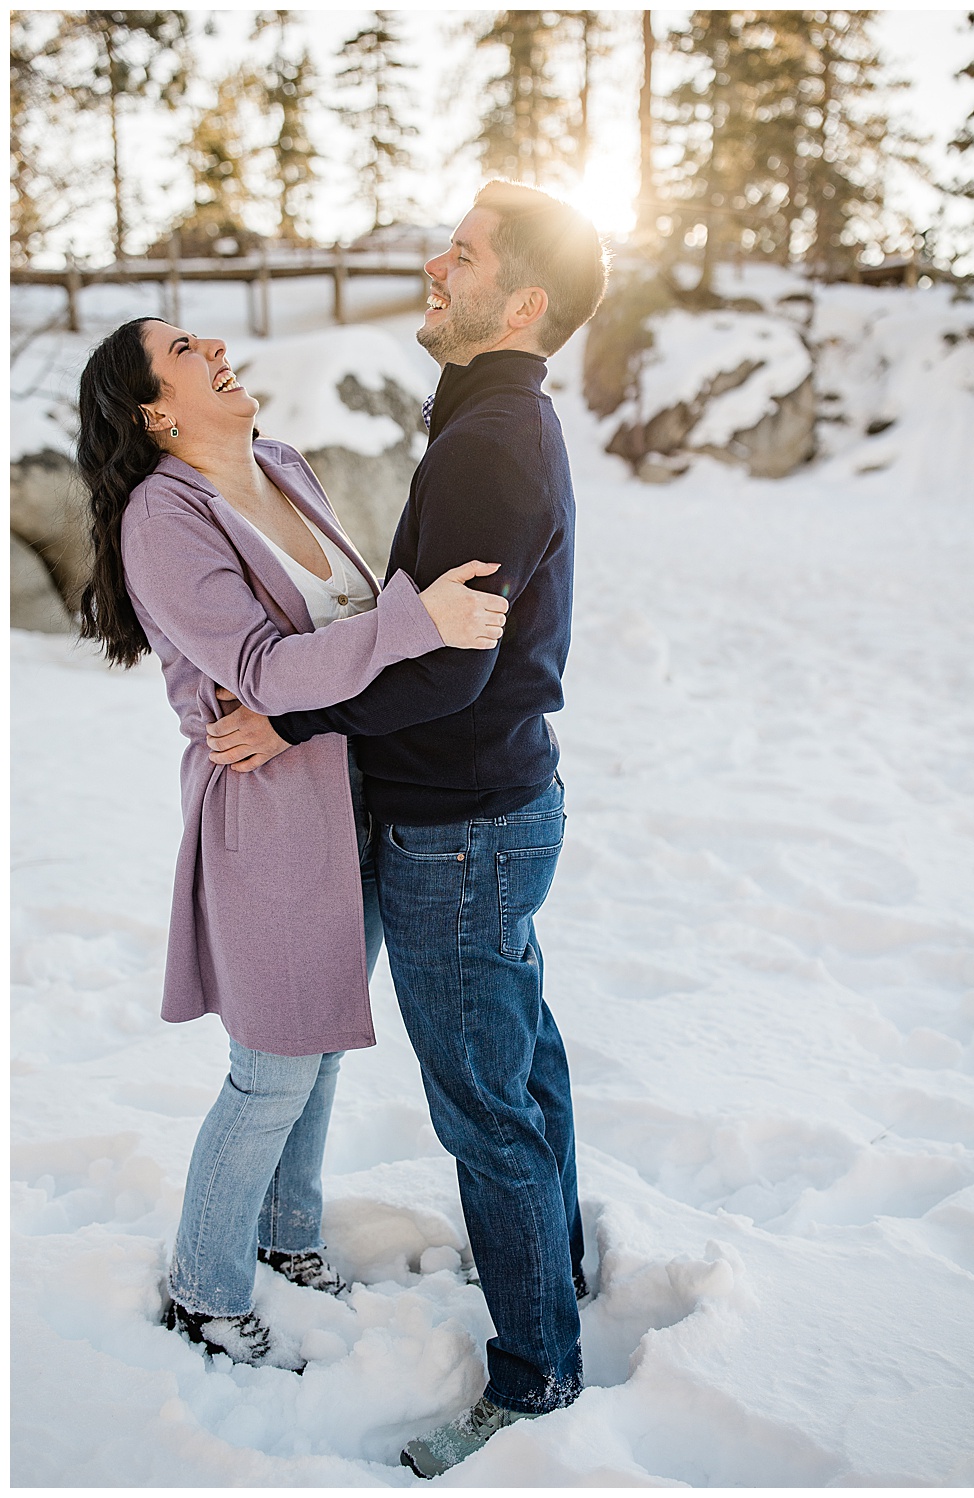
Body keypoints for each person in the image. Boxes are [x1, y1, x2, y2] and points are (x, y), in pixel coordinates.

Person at [204, 180, 607, 1476]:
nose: (438, 264)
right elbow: (436, 639)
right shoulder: (487, 418)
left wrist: (301, 723)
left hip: (462, 831)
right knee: (522, 1063)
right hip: (491, 810)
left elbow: (450, 667)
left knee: (489, 1105)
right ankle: (566, 1274)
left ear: (525, 302)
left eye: (467, 254)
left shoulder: (493, 441)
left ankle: (538, 1367)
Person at [73, 318, 509, 1370]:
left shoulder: (281, 463)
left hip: (359, 793)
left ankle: (287, 1233)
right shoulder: (159, 518)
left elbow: (336, 625)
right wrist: (415, 624)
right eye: (181, 347)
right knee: (270, 1067)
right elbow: (264, 670)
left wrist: (383, 643)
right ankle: (205, 1289)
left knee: (313, 1050)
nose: (213, 341)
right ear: (154, 412)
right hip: (267, 813)